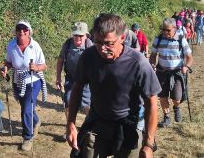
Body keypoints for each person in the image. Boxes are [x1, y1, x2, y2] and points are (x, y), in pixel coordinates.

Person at [66, 13, 161, 158]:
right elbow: (77, 88)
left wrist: (148, 144)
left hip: (128, 124)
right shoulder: (88, 57)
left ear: (122, 38)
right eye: (98, 42)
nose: (103, 49)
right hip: (97, 121)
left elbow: (152, 102)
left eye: (109, 43)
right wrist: (71, 123)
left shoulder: (138, 63)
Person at [1, 20, 47, 152]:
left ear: (29, 32)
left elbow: (44, 65)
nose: (22, 32)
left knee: (26, 109)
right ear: (15, 32)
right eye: (19, 29)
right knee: (27, 108)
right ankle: (36, 121)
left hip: (33, 81)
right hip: (17, 81)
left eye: (25, 29)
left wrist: (36, 67)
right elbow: (8, 62)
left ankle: (28, 138)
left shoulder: (35, 46)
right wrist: (5, 68)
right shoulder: (11, 45)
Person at [149, 18, 193, 128]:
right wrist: (152, 65)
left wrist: (186, 66)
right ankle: (166, 117)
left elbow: (189, 57)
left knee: (176, 98)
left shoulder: (181, 39)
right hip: (162, 72)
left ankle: (176, 107)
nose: (165, 32)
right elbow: (153, 55)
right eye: (163, 29)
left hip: (177, 73)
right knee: (162, 96)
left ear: (174, 28)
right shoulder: (158, 39)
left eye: (167, 30)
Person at [56, 22, 92, 140]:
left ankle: (91, 128)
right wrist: (58, 77)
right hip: (70, 79)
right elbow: (61, 60)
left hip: (86, 80)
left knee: (85, 105)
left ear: (86, 35)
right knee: (67, 101)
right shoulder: (67, 44)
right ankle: (69, 129)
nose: (78, 38)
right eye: (76, 35)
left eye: (81, 36)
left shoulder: (89, 45)